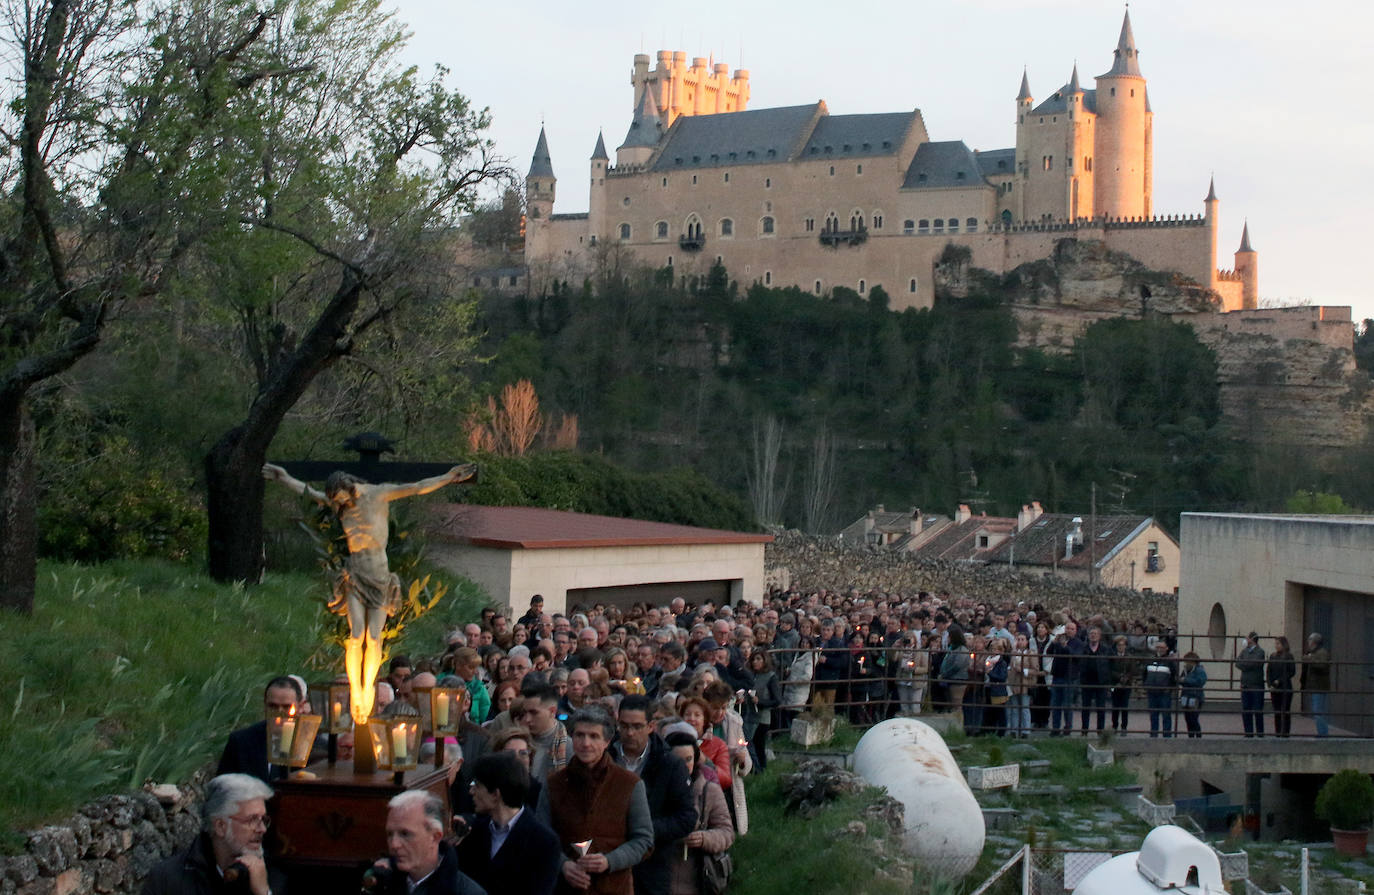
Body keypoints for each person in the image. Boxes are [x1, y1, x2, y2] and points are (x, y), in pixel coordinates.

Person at [262, 462, 475, 724]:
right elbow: (310, 493)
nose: (339, 504)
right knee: (355, 636)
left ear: (348, 487)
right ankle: (357, 693)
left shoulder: (378, 494)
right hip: (354, 574)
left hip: (379, 576)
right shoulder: (340, 504)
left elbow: (417, 488)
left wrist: (447, 477)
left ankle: (367, 687)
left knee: (373, 638)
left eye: (340, 497)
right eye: (336, 501)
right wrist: (284, 478)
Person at [537, 706, 654, 895]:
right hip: (564, 888)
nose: (585, 743)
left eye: (594, 736)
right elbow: (541, 836)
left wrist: (610, 861)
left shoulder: (629, 784)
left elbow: (644, 840)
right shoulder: (554, 784)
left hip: (614, 887)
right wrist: (564, 865)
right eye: (580, 735)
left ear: (607, 741)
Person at [141, 774, 286, 895]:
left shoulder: (273, 878)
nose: (262, 829)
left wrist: (263, 893)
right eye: (252, 820)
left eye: (263, 820)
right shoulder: (167, 879)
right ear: (220, 826)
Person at [613, 695, 696, 895]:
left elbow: (686, 817)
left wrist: (644, 828)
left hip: (652, 864)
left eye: (637, 726)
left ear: (651, 726)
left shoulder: (670, 765)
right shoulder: (607, 757)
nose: (630, 733)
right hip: (610, 860)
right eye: (624, 726)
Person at [456, 752, 562, 895]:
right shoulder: (473, 832)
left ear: (495, 794)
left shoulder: (544, 842)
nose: (471, 791)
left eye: (478, 785)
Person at [371, 790, 484, 895]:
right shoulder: (378, 883)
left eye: (405, 834)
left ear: (435, 837)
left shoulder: (468, 892)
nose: (394, 844)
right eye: (390, 834)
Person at [663, 731, 734, 895]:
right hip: (660, 878)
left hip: (697, 880)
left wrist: (703, 838)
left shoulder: (709, 791)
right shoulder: (655, 790)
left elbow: (726, 832)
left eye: (688, 759)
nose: (683, 766)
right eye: (677, 760)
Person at [216, 677, 304, 784]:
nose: (278, 714)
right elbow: (222, 787)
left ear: (300, 707)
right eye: (273, 706)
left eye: (286, 707)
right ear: (265, 705)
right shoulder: (241, 742)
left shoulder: (313, 746)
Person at [517, 685, 570, 784]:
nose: (527, 719)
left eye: (534, 713)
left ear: (552, 711)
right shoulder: (516, 742)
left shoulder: (569, 747)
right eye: (524, 713)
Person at [738, 649, 780, 770]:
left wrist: (760, 702)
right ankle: (755, 769)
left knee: (758, 744)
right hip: (749, 715)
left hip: (762, 718)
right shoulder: (751, 676)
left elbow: (777, 700)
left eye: (758, 659)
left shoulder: (771, 677)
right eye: (753, 660)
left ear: (764, 661)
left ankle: (760, 769)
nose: (755, 662)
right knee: (750, 743)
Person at [1142, 640, 1178, 738]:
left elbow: (1174, 677)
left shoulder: (1170, 662)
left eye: (1162, 648)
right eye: (1158, 647)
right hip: (1152, 692)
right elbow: (1144, 674)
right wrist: (1146, 685)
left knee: (1166, 715)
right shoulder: (1150, 660)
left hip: (1164, 693)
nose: (1159, 649)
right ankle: (1154, 735)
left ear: (1166, 649)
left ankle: (1167, 736)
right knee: (1153, 716)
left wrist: (1169, 689)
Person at [1079, 626, 1110, 735]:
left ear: (1099, 636)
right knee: (1085, 707)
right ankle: (1084, 731)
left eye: (1095, 634)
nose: (1093, 635)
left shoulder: (1105, 649)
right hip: (1086, 681)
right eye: (1091, 633)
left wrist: (1107, 679)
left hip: (1100, 682)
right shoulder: (1084, 648)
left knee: (1101, 708)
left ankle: (1100, 731)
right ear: (1088, 635)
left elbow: (1109, 664)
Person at [1235, 632, 1266, 737]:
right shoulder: (1244, 651)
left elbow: (1254, 663)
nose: (1245, 640)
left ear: (1252, 639)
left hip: (1256, 685)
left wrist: (1245, 663)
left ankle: (1260, 733)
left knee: (1258, 710)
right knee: (1246, 709)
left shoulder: (1260, 652)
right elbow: (1237, 662)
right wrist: (1246, 664)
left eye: (1247, 638)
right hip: (1245, 684)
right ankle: (1248, 733)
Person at [1300, 632, 1331, 737]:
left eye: (1309, 640)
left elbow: (1322, 665)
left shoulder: (1321, 652)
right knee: (1317, 711)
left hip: (1319, 686)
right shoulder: (1313, 652)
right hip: (1315, 686)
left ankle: (1323, 734)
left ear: (1314, 642)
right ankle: (1321, 732)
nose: (1308, 642)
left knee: (1318, 711)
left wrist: (1309, 659)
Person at [1266, 635, 1296, 737]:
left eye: (1278, 643)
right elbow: (1268, 671)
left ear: (1284, 644)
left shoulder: (1288, 656)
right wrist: (1270, 684)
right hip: (1274, 688)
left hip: (1285, 687)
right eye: (1276, 644)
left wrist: (1279, 680)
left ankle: (1285, 732)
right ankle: (1278, 732)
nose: (1276, 646)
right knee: (1277, 711)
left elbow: (1291, 672)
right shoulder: (1272, 656)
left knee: (1285, 711)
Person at [1108, 634, 1137, 735]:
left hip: (1126, 685)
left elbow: (1132, 670)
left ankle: (1124, 727)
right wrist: (1119, 677)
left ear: (1125, 646)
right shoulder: (1112, 657)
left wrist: (1126, 678)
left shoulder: (1130, 657)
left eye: (1122, 645)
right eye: (1119, 645)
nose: (1121, 647)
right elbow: (1110, 670)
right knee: (1115, 706)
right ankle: (1114, 726)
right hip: (1115, 684)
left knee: (1124, 706)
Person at [1179, 652, 1206, 738]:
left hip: (1195, 697)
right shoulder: (1186, 670)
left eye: (1187, 661)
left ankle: (1198, 736)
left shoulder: (1200, 670)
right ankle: (1191, 736)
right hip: (1186, 696)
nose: (1186, 663)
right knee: (1187, 719)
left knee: (1193, 718)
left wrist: (1186, 680)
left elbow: (1200, 682)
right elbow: (1181, 680)